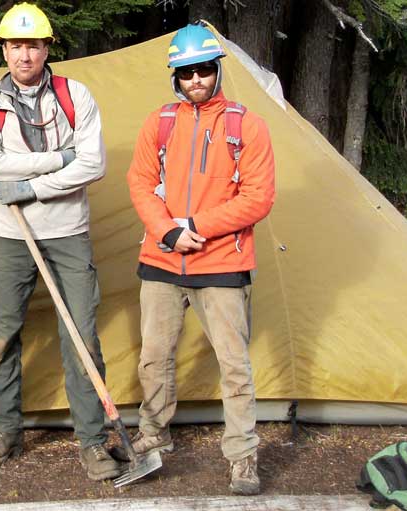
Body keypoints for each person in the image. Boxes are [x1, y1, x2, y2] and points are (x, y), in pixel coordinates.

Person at [0, 3, 119, 481]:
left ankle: (93, 442)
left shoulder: (76, 96)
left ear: (47, 47)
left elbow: (92, 164)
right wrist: (57, 160)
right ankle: (7, 430)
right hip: (9, 235)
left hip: (67, 233)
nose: (24, 54)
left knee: (82, 341)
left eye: (33, 44)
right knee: (2, 337)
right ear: (4, 49)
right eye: (15, 45)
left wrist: (31, 185)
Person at [125, 22, 275, 495]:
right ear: (175, 75)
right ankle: (152, 434)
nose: (196, 80)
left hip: (222, 265)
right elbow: (140, 184)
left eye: (204, 70)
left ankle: (243, 455)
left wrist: (197, 228)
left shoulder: (245, 125)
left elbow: (258, 197)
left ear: (217, 71)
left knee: (233, 365)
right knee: (154, 358)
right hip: (163, 261)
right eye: (187, 72)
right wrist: (169, 231)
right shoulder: (160, 122)